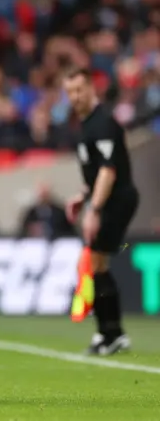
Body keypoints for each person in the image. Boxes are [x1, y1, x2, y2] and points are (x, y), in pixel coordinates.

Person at [62, 66, 138, 356]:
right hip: (107, 200)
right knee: (98, 266)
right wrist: (82, 196)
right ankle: (109, 333)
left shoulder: (103, 123)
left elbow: (108, 171)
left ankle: (112, 333)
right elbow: (96, 174)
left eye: (79, 90)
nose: (75, 97)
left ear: (93, 88)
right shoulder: (86, 125)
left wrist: (94, 209)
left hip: (117, 200)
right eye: (70, 92)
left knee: (95, 264)